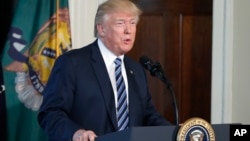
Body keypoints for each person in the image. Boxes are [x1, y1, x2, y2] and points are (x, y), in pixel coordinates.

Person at [37, 0, 172, 141]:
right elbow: (50, 113)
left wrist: (176, 133)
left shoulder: (136, 70)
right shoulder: (72, 63)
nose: (129, 30)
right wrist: (76, 133)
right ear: (101, 29)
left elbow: (148, 116)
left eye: (132, 23)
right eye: (120, 23)